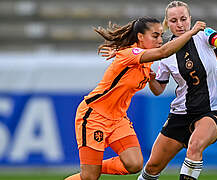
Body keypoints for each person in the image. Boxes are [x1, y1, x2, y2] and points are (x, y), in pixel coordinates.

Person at [64, 17, 206, 180]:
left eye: (161, 36)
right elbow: (163, 52)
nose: (160, 40)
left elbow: (158, 90)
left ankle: (92, 167)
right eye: (155, 36)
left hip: (117, 119)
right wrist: (191, 32)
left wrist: (151, 78)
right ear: (140, 37)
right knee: (89, 178)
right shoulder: (131, 54)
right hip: (93, 116)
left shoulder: (144, 59)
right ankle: (90, 170)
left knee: (134, 164)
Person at [137, 1, 217, 180]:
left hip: (213, 109)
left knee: (195, 145)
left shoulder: (204, 35)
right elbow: (159, 89)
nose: (180, 24)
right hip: (181, 113)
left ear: (190, 19)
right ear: (168, 23)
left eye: (183, 19)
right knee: (152, 166)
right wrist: (150, 77)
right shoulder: (166, 53)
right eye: (174, 20)